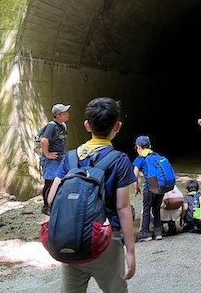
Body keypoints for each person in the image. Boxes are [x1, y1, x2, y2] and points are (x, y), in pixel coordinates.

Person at [47, 97, 137, 292]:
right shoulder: (120, 160)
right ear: (118, 126)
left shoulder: (70, 158)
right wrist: (130, 250)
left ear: (87, 125)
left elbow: (51, 198)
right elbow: (122, 208)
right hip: (106, 240)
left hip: (73, 239)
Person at [39, 103, 70, 215]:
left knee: (59, 182)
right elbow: (44, 141)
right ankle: (46, 206)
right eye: (64, 112)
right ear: (58, 115)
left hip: (59, 158)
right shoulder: (52, 126)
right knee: (50, 182)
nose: (67, 114)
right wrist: (47, 155)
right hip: (51, 160)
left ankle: (55, 204)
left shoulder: (63, 125)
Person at [132, 135, 164, 242]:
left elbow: (134, 174)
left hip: (149, 187)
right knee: (156, 209)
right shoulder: (156, 156)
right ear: (149, 146)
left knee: (146, 209)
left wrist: (136, 187)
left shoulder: (140, 159)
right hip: (160, 188)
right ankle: (158, 232)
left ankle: (145, 233)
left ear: (138, 147)